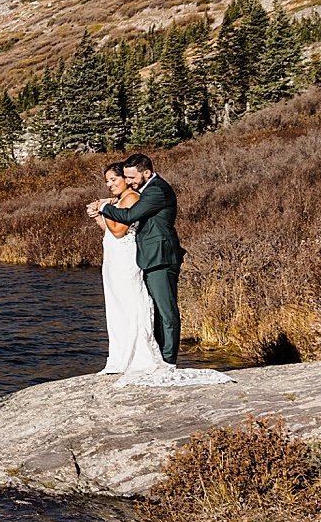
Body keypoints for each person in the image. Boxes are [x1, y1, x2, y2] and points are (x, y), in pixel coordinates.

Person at [85, 155, 227, 388]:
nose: (129, 181)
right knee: (154, 309)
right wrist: (108, 204)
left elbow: (129, 216)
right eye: (126, 177)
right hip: (149, 256)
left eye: (131, 177)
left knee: (166, 309)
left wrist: (103, 207)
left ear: (146, 173)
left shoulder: (156, 191)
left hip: (161, 255)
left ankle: (168, 360)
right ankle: (157, 354)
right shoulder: (145, 190)